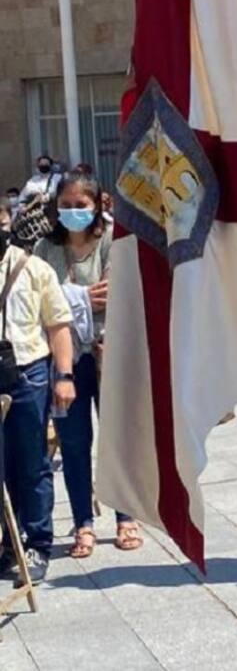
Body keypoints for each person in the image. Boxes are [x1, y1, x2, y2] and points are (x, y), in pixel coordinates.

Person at [33, 172, 141, 557]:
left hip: (111, 352)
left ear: (96, 205)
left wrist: (67, 297)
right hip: (66, 358)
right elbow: (42, 300)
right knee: (75, 442)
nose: (73, 212)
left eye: (81, 205)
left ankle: (126, 515)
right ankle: (83, 522)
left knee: (118, 438)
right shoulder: (45, 248)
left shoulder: (112, 240)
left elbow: (116, 291)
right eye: (65, 205)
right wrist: (82, 297)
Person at [0, 217, 75, 584]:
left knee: (31, 463)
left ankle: (37, 543)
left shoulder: (33, 269)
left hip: (28, 375)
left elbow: (58, 325)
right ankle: (9, 543)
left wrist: (64, 376)